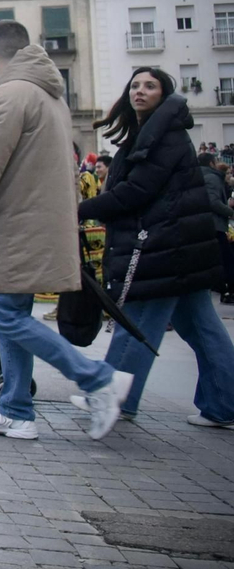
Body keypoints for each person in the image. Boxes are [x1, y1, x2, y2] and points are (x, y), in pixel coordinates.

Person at [0, 20, 129, 440]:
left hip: (17, 226)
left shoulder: (9, 95)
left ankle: (97, 378)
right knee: (13, 314)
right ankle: (16, 410)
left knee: (2, 312)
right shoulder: (48, 95)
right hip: (38, 222)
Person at [79, 69, 233, 427]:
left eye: (150, 86)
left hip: (165, 246)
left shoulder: (165, 136)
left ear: (163, 94)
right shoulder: (153, 133)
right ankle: (224, 405)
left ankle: (114, 397)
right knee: (203, 328)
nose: (140, 91)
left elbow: (137, 191)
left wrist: (81, 209)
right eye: (134, 85)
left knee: (138, 319)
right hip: (176, 245)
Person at [199, 151, 234, 304]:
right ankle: (228, 291)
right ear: (212, 163)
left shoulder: (198, 176)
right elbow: (213, 201)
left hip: (205, 225)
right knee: (228, 260)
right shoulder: (212, 177)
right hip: (216, 226)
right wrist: (229, 211)